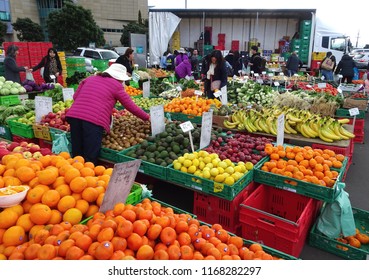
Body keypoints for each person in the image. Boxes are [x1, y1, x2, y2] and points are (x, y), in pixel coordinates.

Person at [66, 63, 150, 164]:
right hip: (93, 120)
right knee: (90, 156)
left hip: (74, 116)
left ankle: (75, 175)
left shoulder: (90, 79)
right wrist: (147, 117)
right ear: (119, 78)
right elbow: (130, 106)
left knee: (77, 153)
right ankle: (88, 176)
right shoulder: (117, 86)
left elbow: (75, 96)